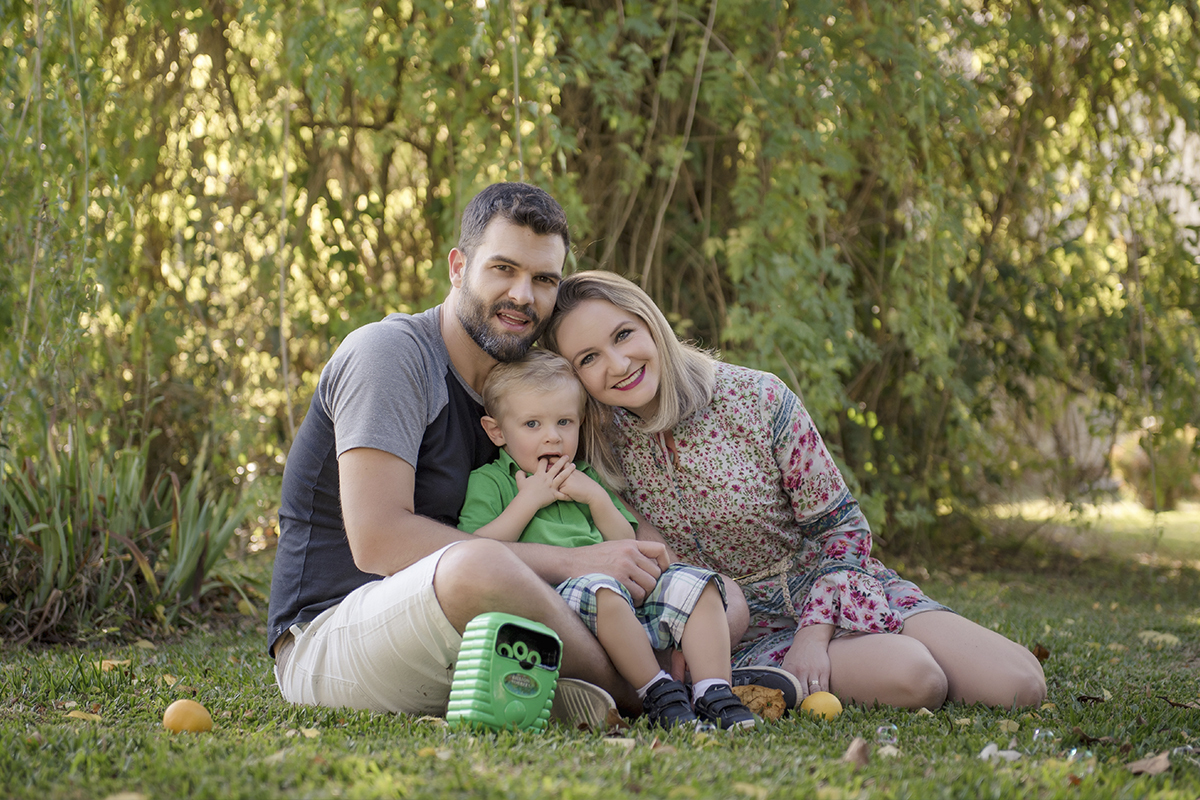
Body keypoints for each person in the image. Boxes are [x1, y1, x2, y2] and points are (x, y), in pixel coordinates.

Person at [266, 183, 680, 725]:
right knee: (478, 567)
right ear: (459, 267)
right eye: (503, 269)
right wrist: (576, 561)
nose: (523, 296)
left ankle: (635, 675)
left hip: (480, 618)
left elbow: (597, 500)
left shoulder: (527, 388)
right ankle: (647, 691)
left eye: (543, 279)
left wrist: (648, 559)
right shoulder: (391, 356)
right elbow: (378, 541)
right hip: (335, 631)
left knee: (711, 594)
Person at [541, 270, 1048, 710]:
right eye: (589, 358)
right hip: (730, 631)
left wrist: (814, 632)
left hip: (832, 589)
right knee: (918, 678)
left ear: (651, 323)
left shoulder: (757, 398)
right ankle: (741, 678)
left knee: (1021, 685)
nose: (617, 364)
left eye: (623, 334)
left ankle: (835, 649)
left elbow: (842, 530)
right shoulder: (599, 446)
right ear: (575, 375)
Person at [456, 350, 755, 729]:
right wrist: (528, 502)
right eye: (532, 424)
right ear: (497, 431)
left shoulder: (585, 476)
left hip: (625, 590)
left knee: (701, 585)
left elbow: (624, 539)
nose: (552, 435)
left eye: (564, 422)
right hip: (560, 601)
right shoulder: (490, 481)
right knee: (603, 591)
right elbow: (477, 549)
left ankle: (714, 691)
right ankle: (658, 691)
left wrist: (596, 497)